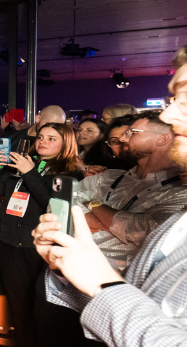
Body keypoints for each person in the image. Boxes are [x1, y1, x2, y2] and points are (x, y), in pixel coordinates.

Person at [29, 53, 187, 347]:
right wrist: (97, 217)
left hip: (103, 305)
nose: (168, 113)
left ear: (162, 141)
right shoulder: (111, 175)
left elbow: (137, 230)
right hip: (63, 290)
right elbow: (67, 201)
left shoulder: (176, 194)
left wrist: (104, 287)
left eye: (182, 97)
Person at [0, 122, 84, 347]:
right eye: (41, 136)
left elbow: (52, 204)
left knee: (45, 312)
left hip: (40, 248)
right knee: (20, 308)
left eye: (52, 138)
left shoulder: (71, 172)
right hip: (9, 243)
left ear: (66, 144)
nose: (43, 142)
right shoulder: (26, 163)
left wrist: (29, 174)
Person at [76, 111, 187, 271]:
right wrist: (114, 228)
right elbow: (61, 204)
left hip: (118, 287)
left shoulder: (179, 190)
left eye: (132, 133)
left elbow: (146, 231)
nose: (122, 139)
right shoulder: (106, 176)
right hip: (62, 281)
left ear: (162, 138)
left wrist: (92, 204)